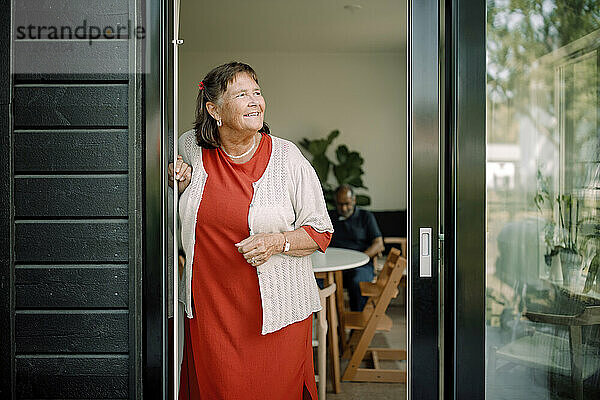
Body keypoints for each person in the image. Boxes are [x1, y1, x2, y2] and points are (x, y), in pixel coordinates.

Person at [168, 61, 333, 400]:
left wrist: (278, 241)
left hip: (275, 313)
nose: (255, 101)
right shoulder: (190, 148)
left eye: (257, 92)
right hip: (211, 308)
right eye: (242, 94)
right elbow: (183, 212)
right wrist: (179, 184)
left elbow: (320, 231)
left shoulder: (287, 158)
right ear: (214, 109)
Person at [329, 184, 384, 311]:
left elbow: (379, 244)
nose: (343, 208)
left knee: (358, 283)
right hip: (334, 265)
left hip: (361, 264)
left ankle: (358, 322)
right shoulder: (329, 216)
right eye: (340, 204)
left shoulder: (366, 217)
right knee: (318, 283)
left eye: (347, 203)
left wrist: (362, 257)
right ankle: (330, 323)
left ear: (354, 200)